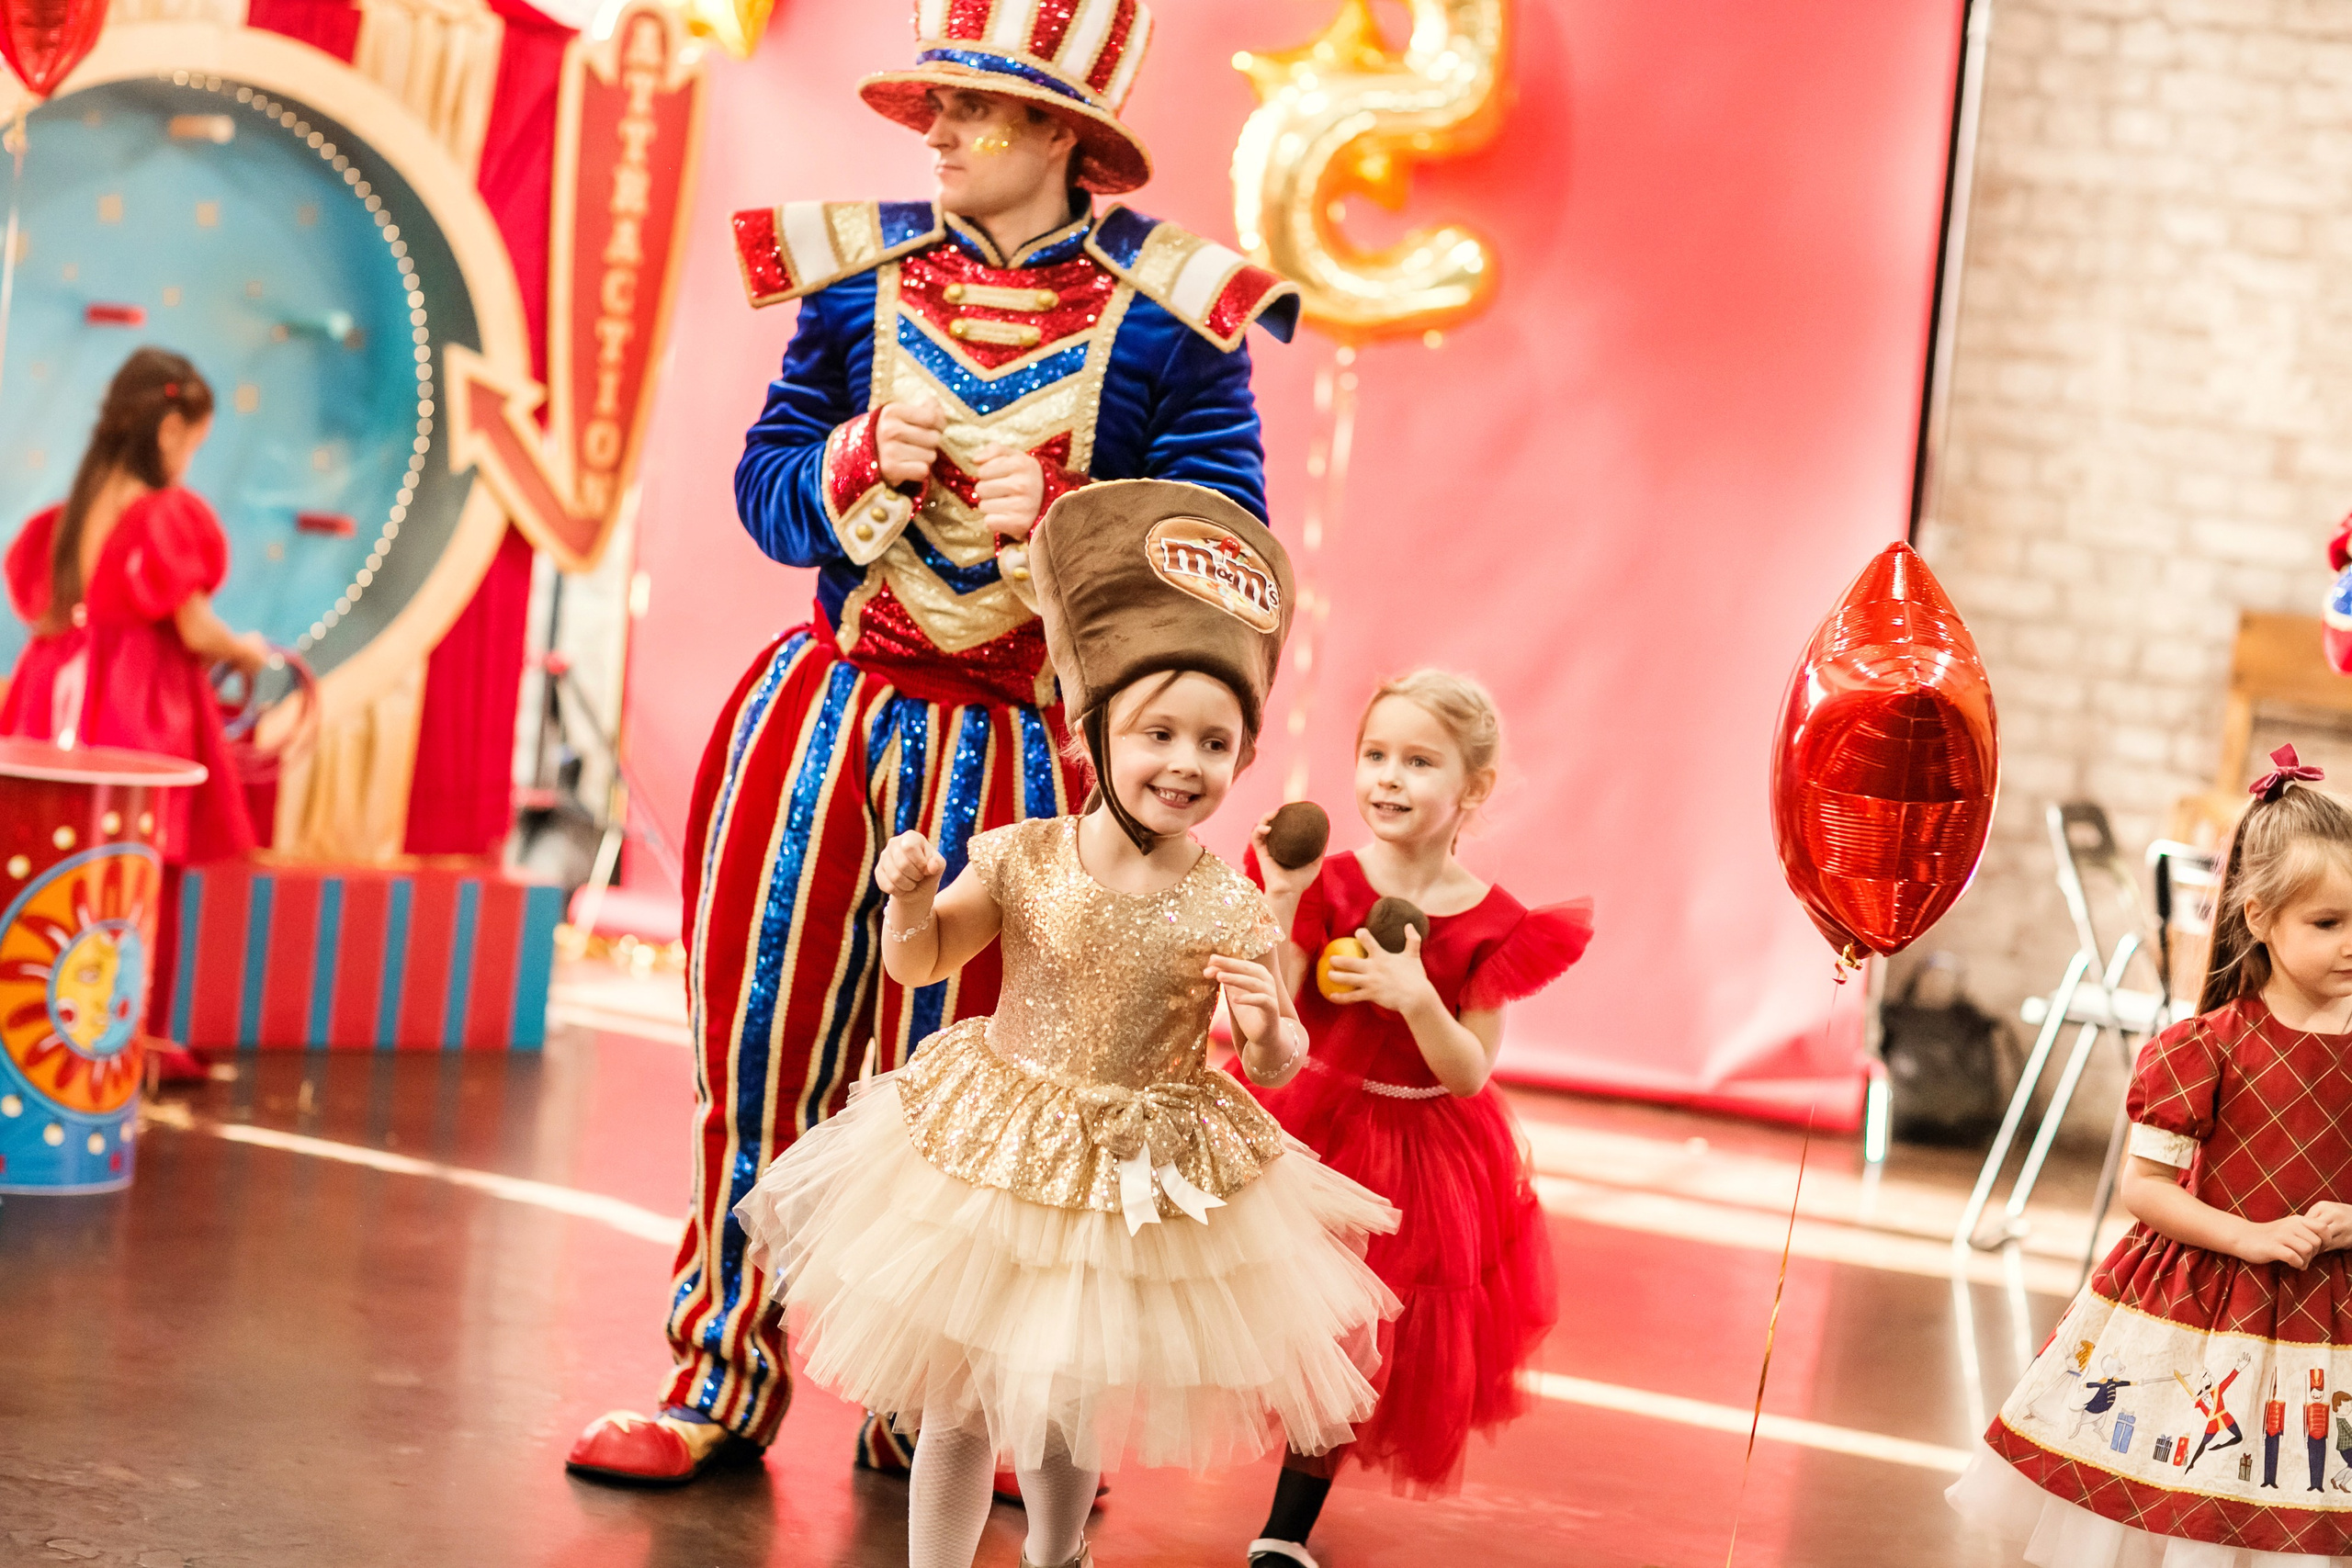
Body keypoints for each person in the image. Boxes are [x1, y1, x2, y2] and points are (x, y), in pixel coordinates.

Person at [564, 0, 1302, 1486]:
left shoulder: (1172, 321)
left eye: (967, 108)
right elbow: (765, 489)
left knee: (977, 1088)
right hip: (823, 710)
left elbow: (1233, 559)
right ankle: (719, 1371)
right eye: (936, 109)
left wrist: (1089, 552)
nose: (936, 134)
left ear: (1055, 132)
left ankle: (932, 1404)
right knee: (759, 1050)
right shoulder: (857, 287)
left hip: (1030, 758)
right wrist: (847, 462)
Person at [730, 479, 1398, 1568]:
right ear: (1095, 736)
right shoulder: (1022, 854)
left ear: (1241, 760)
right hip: (994, 1147)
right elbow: (918, 965)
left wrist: (1272, 1026)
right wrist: (906, 898)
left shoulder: (1228, 900)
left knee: (1063, 1400)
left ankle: (1054, 1554)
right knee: (955, 1403)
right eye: (1159, 733)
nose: (1185, 762)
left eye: (1216, 744)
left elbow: (1275, 1065)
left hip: (1131, 1172)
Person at [1948, 744, 2352, 1561]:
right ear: (2259, 918)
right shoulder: (2201, 1049)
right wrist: (2247, 1236)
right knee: (2197, 1513)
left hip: (2330, 1325)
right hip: (2209, 1311)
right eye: (2328, 922)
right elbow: (2145, 1187)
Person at [1241, 671, 1593, 1568]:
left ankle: (1284, 1530)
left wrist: (1416, 998)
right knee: (1247, 1300)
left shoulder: (1494, 923)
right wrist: (1281, 905)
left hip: (1414, 1152)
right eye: (1375, 756)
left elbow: (1470, 1072)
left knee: (1358, 1343)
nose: (1388, 778)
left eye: (1418, 761)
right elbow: (1269, 1013)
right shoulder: (1327, 880)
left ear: (1470, 791)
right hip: (1305, 1125)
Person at [1, 347, 266, 1083]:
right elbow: (194, 626)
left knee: (50, 868)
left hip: (53, 696)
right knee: (144, 869)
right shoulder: (162, 517)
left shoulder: (66, 517)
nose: (190, 463)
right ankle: (132, 1037)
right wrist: (243, 650)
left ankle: (39, 1037)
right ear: (171, 428)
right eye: (195, 445)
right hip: (133, 704)